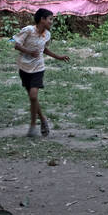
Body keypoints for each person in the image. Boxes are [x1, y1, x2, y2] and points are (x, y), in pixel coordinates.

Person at [13, 8, 69, 137]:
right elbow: (16, 45)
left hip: (38, 68)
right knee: (33, 98)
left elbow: (44, 49)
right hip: (24, 67)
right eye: (50, 19)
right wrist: (28, 51)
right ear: (42, 19)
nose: (51, 22)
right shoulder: (28, 30)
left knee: (33, 96)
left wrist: (58, 57)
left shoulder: (47, 34)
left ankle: (33, 125)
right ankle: (43, 119)